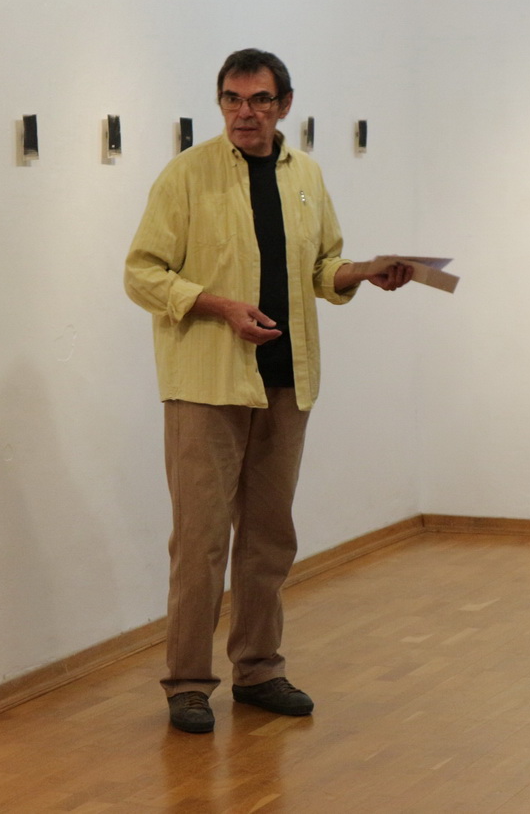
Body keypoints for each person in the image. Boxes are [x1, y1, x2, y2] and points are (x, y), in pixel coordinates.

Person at [124, 48, 412, 734]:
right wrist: (218, 305)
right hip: (207, 387)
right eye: (232, 99)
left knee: (268, 538)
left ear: (284, 105)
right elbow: (142, 272)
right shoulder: (186, 175)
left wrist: (361, 272)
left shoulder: (306, 175)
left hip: (285, 382)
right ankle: (188, 682)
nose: (244, 113)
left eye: (258, 100)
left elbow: (321, 267)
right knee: (200, 543)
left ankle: (258, 669)